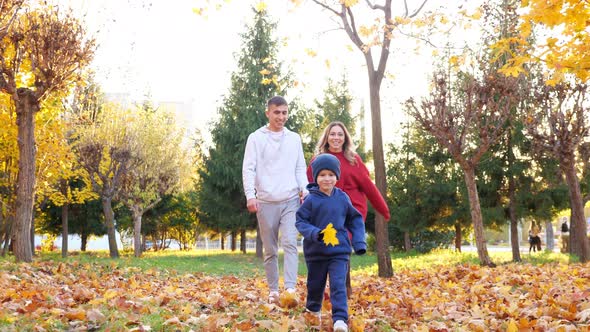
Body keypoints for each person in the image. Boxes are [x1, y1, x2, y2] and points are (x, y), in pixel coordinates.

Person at [307, 121, 390, 296]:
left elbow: (368, 186)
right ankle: (334, 286)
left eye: (340, 134)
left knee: (341, 242)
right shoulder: (318, 160)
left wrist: (383, 209)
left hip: (352, 208)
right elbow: (310, 186)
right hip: (327, 209)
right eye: (333, 134)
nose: (336, 138)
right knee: (328, 244)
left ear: (345, 138)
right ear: (327, 138)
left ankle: (344, 288)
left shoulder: (354, 160)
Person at [242, 96, 308, 304]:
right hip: (265, 201)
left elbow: (299, 167)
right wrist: (250, 196)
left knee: (290, 243)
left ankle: (289, 289)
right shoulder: (256, 138)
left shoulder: (294, 138)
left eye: (284, 112)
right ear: (268, 113)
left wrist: (304, 191)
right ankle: (273, 291)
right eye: (277, 112)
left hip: (290, 199)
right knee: (270, 249)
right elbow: (248, 168)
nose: (281, 116)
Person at [296, 154, 366, 332]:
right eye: (322, 175)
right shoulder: (310, 200)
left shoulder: (342, 198)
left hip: (339, 252)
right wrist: (315, 233)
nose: (326, 179)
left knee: (338, 285)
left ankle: (340, 320)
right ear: (315, 177)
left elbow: (355, 219)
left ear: (337, 177)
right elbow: (301, 222)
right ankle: (313, 310)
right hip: (316, 252)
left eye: (330, 175)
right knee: (315, 285)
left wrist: (358, 242)